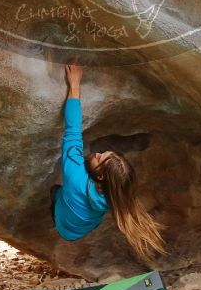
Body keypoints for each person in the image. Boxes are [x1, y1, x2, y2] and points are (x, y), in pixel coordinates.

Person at [50, 62, 167, 261]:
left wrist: (75, 85)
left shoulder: (75, 176)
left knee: (55, 190)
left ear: (101, 176)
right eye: (105, 153)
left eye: (100, 158)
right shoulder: (114, 194)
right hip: (81, 229)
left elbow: (73, 131)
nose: (98, 153)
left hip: (63, 224)